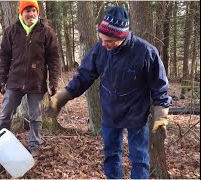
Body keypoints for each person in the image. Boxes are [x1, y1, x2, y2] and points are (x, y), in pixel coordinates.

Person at [47, 6, 172, 179]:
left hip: (136, 113)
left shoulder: (145, 52)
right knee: (111, 155)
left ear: (123, 35)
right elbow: (83, 76)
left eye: (109, 41)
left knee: (140, 158)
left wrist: (161, 115)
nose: (104, 44)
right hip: (110, 112)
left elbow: (160, 86)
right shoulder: (100, 49)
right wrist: (61, 98)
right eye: (102, 39)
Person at [0, 0, 60, 158]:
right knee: (5, 114)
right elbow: (4, 57)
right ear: (21, 13)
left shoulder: (47, 32)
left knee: (36, 117)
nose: (31, 14)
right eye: (27, 11)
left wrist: (53, 82)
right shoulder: (11, 31)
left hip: (36, 82)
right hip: (14, 80)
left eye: (33, 11)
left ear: (37, 12)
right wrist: (2, 79)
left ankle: (34, 146)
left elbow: (53, 59)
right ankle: (3, 141)